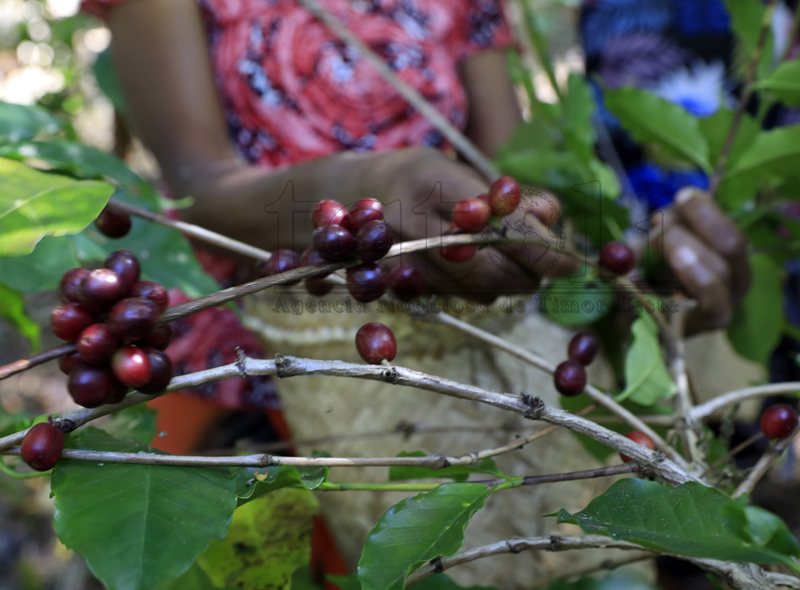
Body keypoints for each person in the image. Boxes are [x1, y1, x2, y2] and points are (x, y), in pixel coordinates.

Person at [81, 0, 752, 584]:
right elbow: (198, 180)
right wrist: (367, 183)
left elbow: (510, 176)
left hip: (453, 350)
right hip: (253, 358)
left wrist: (602, 265)